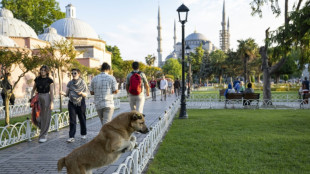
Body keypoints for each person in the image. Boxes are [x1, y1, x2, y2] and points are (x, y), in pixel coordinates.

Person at [62, 69, 88, 143]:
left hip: (80, 102)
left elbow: (86, 94)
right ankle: (71, 136)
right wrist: (62, 93)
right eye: (72, 73)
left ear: (79, 74)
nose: (73, 74)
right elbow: (67, 94)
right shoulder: (70, 83)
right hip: (71, 102)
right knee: (72, 120)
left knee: (82, 118)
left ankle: (83, 133)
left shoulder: (82, 83)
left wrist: (81, 93)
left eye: (75, 73)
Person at [30, 65, 54, 143]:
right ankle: (42, 129)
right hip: (38, 97)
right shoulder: (37, 79)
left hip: (46, 97)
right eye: (41, 70)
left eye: (44, 70)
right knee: (37, 116)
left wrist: (52, 102)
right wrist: (32, 98)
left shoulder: (49, 80)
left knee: (45, 117)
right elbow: (33, 89)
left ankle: (43, 135)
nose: (42, 71)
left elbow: (52, 92)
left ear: (47, 71)